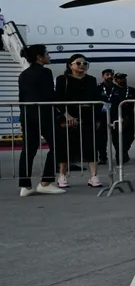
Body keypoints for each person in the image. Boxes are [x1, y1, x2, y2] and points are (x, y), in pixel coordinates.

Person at [16, 44, 65, 197]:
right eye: (47, 54)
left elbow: (21, 98)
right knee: (58, 145)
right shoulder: (45, 72)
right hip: (44, 115)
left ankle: (25, 185)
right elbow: (50, 95)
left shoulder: (23, 75)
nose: (49, 56)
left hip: (27, 115)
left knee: (28, 151)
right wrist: (63, 112)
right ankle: (46, 182)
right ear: (39, 57)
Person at [53, 54, 103, 188]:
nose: (82, 66)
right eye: (78, 63)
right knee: (65, 146)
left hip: (88, 116)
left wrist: (96, 117)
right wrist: (67, 115)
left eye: (85, 63)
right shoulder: (62, 79)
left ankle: (93, 176)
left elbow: (97, 99)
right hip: (67, 117)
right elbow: (58, 99)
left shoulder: (91, 80)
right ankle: (62, 175)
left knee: (91, 145)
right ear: (70, 65)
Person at [106, 72, 135, 163]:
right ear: (116, 80)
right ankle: (120, 156)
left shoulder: (131, 90)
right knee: (117, 138)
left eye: (123, 78)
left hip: (129, 116)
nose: (122, 80)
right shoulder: (112, 90)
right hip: (116, 116)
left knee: (130, 137)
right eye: (120, 78)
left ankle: (123, 152)